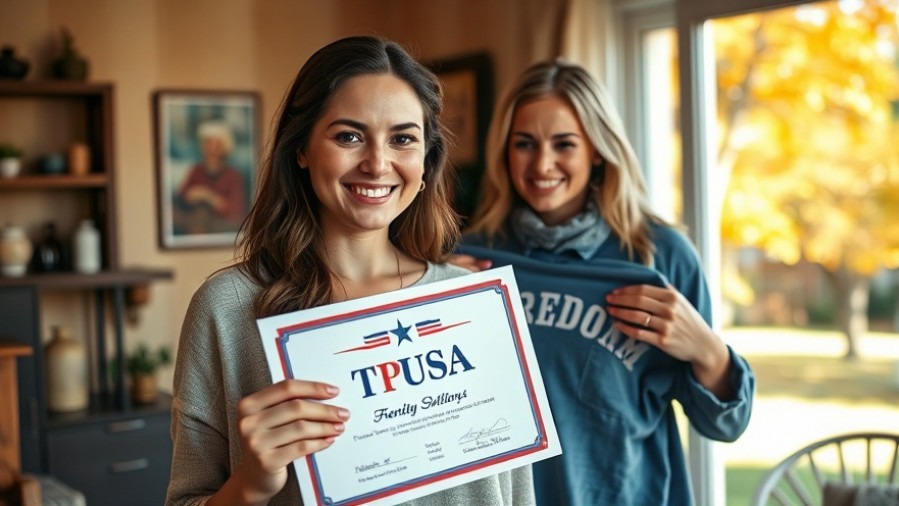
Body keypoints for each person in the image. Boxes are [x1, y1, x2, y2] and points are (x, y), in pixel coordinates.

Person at [165, 36, 534, 506]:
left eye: (403, 139)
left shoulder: (475, 305)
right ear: (301, 149)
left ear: (426, 163)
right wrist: (252, 484)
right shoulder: (226, 308)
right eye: (349, 136)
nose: (377, 164)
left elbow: (515, 490)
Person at [456, 59, 755, 505]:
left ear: (597, 148)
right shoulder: (472, 257)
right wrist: (434, 298)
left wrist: (709, 352)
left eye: (564, 144)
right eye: (524, 144)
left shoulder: (660, 254)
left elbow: (725, 424)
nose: (542, 164)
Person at [174, 120, 247, 235]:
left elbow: (236, 212)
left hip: (219, 227)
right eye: (207, 143)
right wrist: (191, 196)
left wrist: (209, 197)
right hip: (193, 222)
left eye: (216, 144)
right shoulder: (196, 170)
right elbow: (182, 197)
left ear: (224, 147)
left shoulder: (233, 175)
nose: (211, 149)